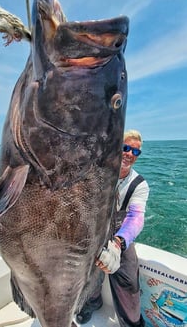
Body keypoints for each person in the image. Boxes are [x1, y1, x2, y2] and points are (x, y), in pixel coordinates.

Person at [76, 129, 149, 327]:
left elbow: (135, 217)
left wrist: (119, 243)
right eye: (126, 148)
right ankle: (91, 303)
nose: (129, 154)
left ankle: (132, 322)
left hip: (120, 233)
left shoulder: (139, 184)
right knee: (89, 275)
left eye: (136, 152)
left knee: (129, 282)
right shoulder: (95, 172)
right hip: (93, 232)